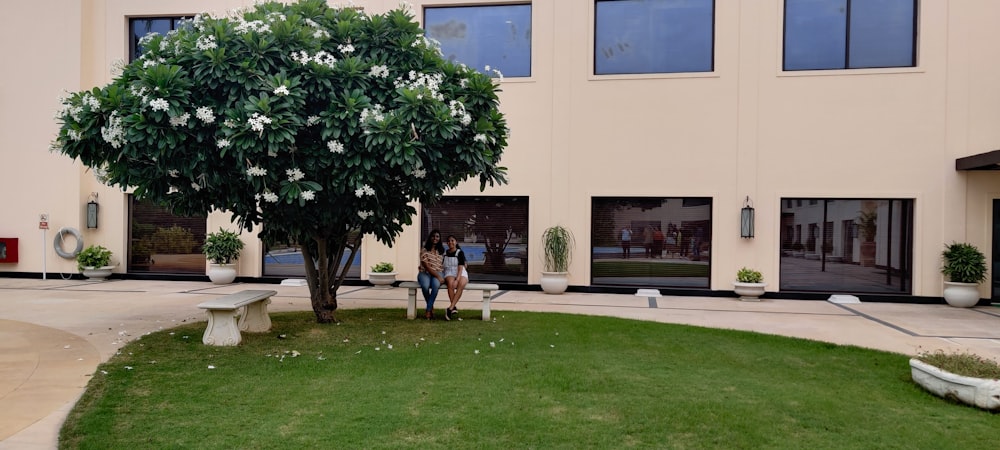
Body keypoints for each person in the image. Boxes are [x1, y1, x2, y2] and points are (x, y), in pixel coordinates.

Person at [417, 229, 445, 319]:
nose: (435, 238)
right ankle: (431, 307)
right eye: (433, 236)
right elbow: (427, 267)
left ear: (439, 238)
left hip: (438, 272)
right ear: (430, 237)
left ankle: (428, 310)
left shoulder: (441, 251)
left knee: (435, 286)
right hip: (425, 273)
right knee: (425, 286)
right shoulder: (424, 250)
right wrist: (438, 276)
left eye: (437, 236)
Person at [442, 235, 468, 320]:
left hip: (460, 271)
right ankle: (453, 307)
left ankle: (450, 308)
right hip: (449, 271)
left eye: (452, 240)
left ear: (456, 242)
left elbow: (461, 267)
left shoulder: (460, 252)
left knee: (461, 283)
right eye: (449, 241)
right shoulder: (445, 253)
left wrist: (457, 279)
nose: (450, 242)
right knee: (450, 284)